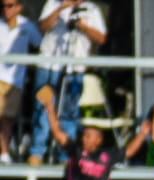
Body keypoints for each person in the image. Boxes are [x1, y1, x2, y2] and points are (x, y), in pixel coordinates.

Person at [26, 0, 106, 165]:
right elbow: (42, 27)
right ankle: (38, 151)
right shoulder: (53, 3)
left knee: (69, 113)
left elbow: (101, 38)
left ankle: (65, 154)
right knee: (43, 109)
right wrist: (61, 9)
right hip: (49, 65)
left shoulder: (91, 9)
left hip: (75, 68)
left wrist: (83, 26)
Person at [0, 2, 41, 163]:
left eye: (10, 5)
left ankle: (4, 153)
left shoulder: (27, 26)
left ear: (19, 7)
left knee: (8, 119)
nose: (6, 9)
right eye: (3, 5)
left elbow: (39, 43)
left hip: (16, 81)